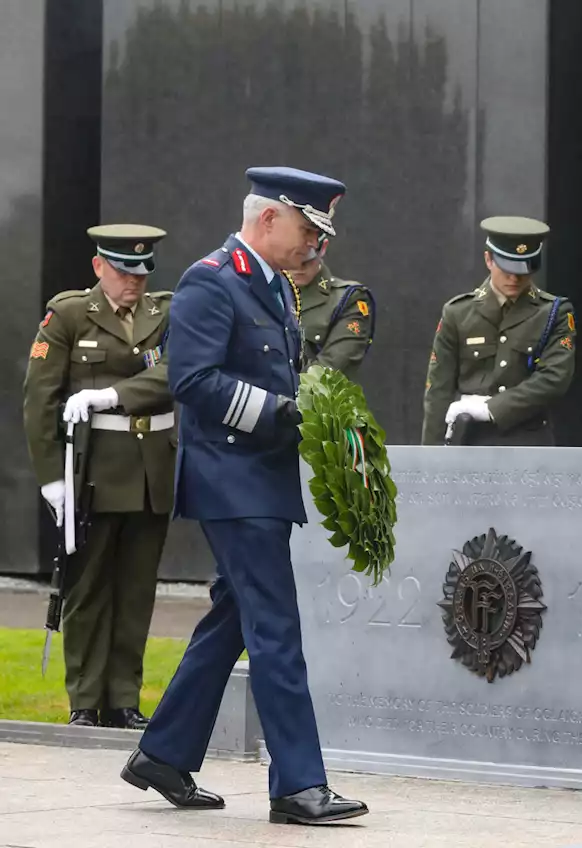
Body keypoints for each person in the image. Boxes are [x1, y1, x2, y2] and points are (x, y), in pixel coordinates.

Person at [119, 166, 368, 824]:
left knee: (232, 620)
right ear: (268, 220)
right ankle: (297, 785)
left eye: (319, 233)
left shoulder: (275, 287)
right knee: (276, 629)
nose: (315, 244)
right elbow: (193, 381)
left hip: (263, 479)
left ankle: (163, 755)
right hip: (232, 482)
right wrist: (277, 413)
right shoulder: (212, 280)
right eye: (307, 229)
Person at [22, 224, 175, 730]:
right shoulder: (68, 314)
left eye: (142, 271)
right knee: (87, 589)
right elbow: (40, 398)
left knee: (136, 589)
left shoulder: (167, 312)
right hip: (91, 470)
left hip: (152, 468)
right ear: (99, 267)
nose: (134, 280)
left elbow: (179, 371)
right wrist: (51, 478)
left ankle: (124, 699)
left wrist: (114, 395)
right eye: (123, 270)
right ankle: (85, 701)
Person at [421, 216, 576, 446]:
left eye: (523, 270)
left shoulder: (554, 313)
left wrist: (491, 408)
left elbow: (554, 379)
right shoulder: (459, 313)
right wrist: (430, 459)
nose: (514, 278)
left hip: (529, 441)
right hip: (470, 440)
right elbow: (438, 390)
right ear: (488, 260)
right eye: (507, 268)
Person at [286, 233, 376, 379]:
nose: (298, 267)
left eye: (306, 261)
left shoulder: (348, 300)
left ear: (322, 248)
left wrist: (274, 397)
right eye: (292, 260)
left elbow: (330, 370)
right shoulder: (268, 291)